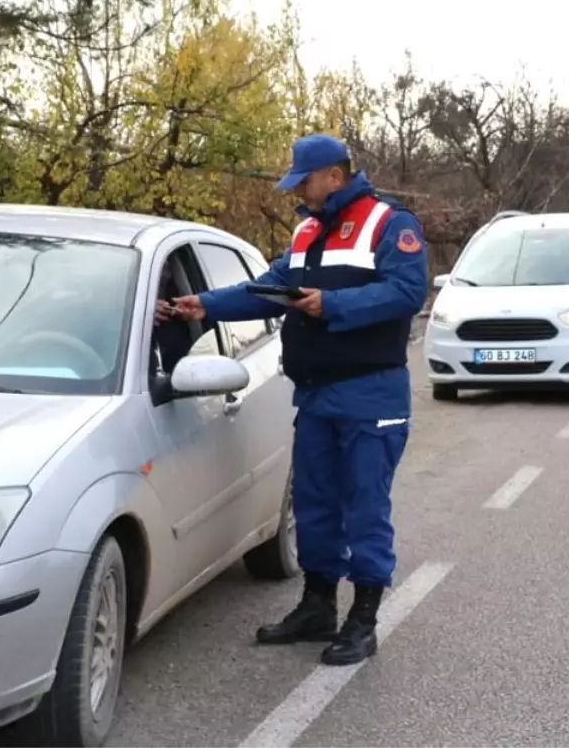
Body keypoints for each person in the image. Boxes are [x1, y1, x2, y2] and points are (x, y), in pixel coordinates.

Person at [173, 133, 428, 666]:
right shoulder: (309, 228)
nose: (301, 193)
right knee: (314, 504)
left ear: (334, 176)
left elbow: (408, 292)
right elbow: (268, 286)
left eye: (305, 182)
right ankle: (318, 606)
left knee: (363, 507)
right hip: (316, 394)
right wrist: (203, 305)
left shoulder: (389, 223)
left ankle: (363, 619)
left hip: (371, 392)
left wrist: (331, 304)